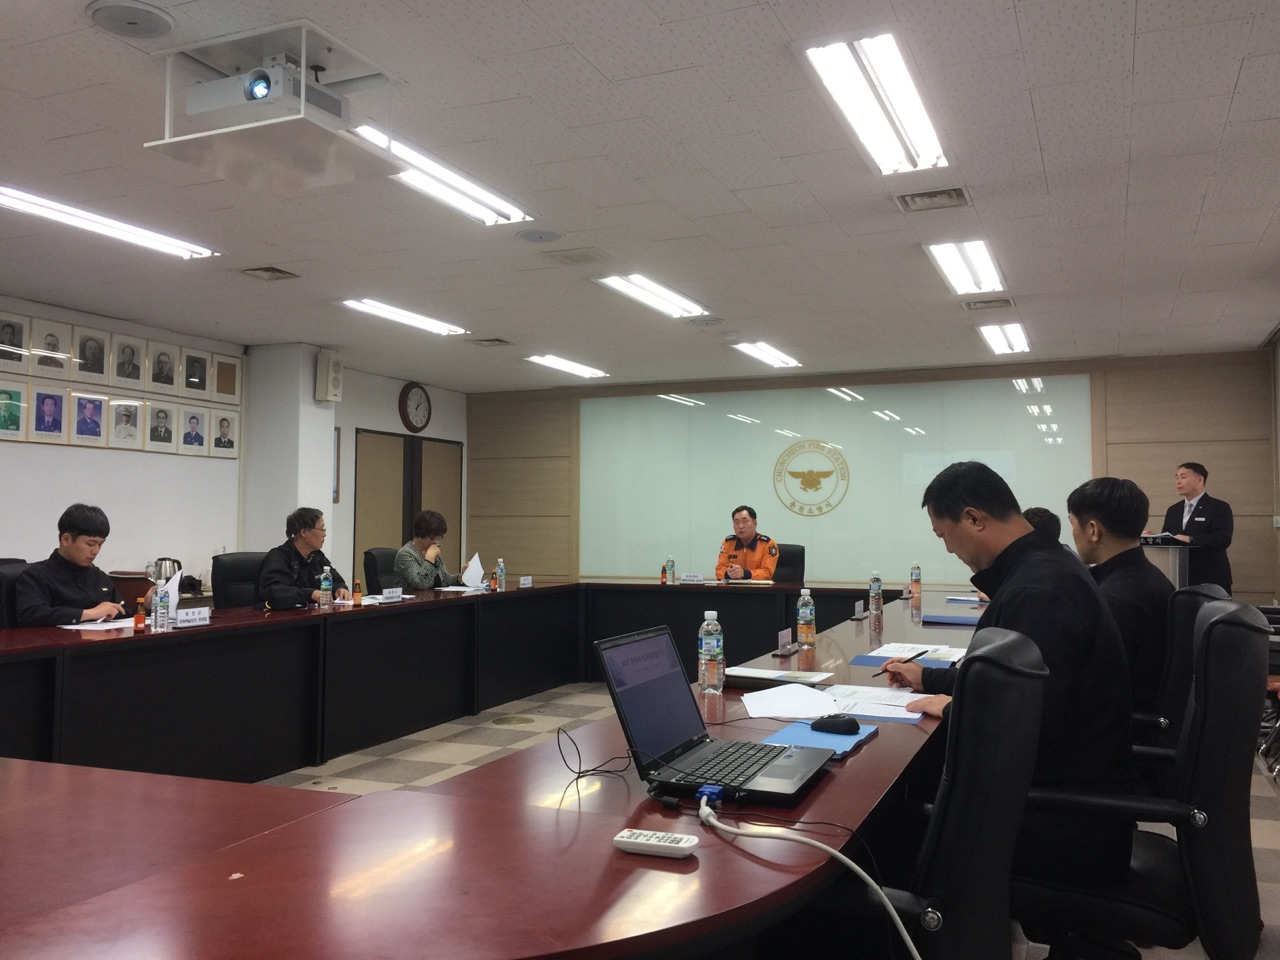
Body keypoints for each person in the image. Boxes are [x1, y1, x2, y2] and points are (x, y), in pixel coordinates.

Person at [883, 461, 1134, 885]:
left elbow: (1019, 726)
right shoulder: (1047, 566)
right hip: (1059, 800)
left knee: (869, 837)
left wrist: (953, 708)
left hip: (1061, 824)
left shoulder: (1037, 591)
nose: (949, 550)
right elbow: (1009, 687)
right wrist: (932, 681)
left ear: (973, 519)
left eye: (943, 535)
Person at [1068, 477, 1173, 714]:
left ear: (1093, 530)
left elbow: (1093, 690)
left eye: (1072, 524)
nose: (1072, 533)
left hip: (1121, 724)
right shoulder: (1151, 577)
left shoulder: (1114, 600)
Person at [15, 504, 129, 626]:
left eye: (100, 545)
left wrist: (140, 608)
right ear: (66, 540)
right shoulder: (36, 576)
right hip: (58, 638)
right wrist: (88, 614)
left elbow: (121, 609)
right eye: (90, 544)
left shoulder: (97, 576)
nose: (95, 551)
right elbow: (31, 614)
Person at [1157, 462, 1233, 594]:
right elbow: (1169, 539)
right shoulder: (1173, 510)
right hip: (1179, 578)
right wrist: (1154, 538)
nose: (1178, 481)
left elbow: (1222, 539)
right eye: (1176, 478)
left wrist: (1191, 539)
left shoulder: (1219, 507)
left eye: (1183, 477)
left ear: (1200, 480)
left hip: (1210, 578)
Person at [257, 507, 350, 608]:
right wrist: (310, 594)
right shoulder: (278, 557)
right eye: (322, 529)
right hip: (281, 616)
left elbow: (336, 580)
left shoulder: (317, 556)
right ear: (304, 532)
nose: (324, 534)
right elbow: (275, 591)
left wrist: (339, 589)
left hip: (314, 614)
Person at [392, 510, 463, 589]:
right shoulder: (406, 554)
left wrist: (460, 577)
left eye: (439, 537)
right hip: (411, 596)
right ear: (421, 533)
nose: (436, 541)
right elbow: (420, 583)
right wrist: (429, 560)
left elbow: (444, 580)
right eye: (433, 537)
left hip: (433, 596)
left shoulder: (432, 550)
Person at [714, 505, 778, 580]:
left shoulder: (767, 545)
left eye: (744, 521)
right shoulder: (728, 543)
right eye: (736, 522)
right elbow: (719, 570)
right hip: (733, 587)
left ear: (755, 523)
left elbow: (767, 573)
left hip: (757, 587)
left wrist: (744, 574)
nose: (740, 526)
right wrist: (728, 574)